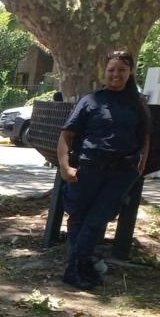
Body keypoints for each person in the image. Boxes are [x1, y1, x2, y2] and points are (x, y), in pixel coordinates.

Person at [56, 50, 150, 290]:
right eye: (111, 70)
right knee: (79, 218)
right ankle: (79, 267)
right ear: (104, 72)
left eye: (121, 70)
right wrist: (66, 166)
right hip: (89, 168)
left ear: (130, 73)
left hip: (121, 173)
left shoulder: (138, 104)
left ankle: (75, 267)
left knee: (97, 220)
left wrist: (140, 166)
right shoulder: (90, 100)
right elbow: (66, 135)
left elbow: (145, 137)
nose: (115, 74)